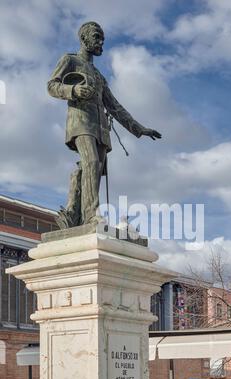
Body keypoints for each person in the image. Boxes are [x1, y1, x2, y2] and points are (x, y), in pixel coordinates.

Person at [48, 21, 161, 228]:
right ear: (83, 39)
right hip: (80, 122)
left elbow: (115, 107)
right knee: (91, 162)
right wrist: (73, 91)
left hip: (101, 129)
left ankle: (76, 212)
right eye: (97, 38)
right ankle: (92, 215)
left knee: (92, 170)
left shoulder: (99, 77)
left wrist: (139, 128)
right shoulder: (69, 60)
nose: (101, 43)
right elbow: (52, 85)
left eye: (102, 39)